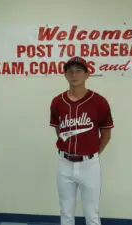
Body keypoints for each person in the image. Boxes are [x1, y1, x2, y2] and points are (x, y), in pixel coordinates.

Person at [49, 56, 114, 225]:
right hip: (64, 162)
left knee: (91, 213)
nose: (74, 75)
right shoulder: (57, 101)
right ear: (65, 75)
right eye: (70, 71)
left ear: (87, 75)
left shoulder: (99, 102)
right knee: (65, 211)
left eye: (79, 71)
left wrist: (92, 153)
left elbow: (106, 132)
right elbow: (59, 130)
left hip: (89, 165)